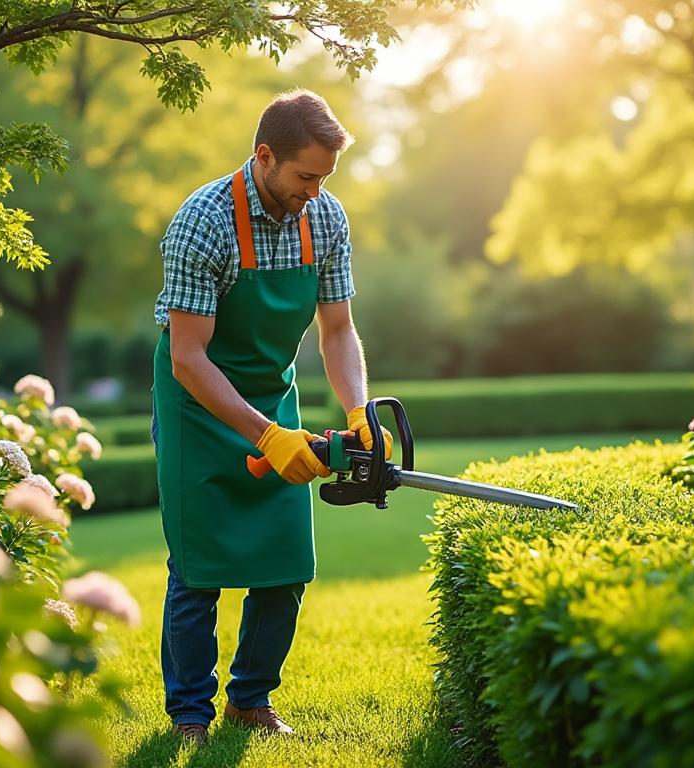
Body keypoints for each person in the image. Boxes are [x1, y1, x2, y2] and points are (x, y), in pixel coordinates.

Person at [149, 88, 392, 745]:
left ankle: (250, 701)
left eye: (325, 179)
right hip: (197, 406)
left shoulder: (326, 217)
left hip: (272, 397)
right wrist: (267, 435)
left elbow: (337, 330)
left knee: (285, 563)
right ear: (264, 157)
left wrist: (357, 410)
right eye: (305, 177)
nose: (315, 192)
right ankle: (190, 716)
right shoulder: (204, 221)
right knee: (198, 568)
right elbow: (188, 358)